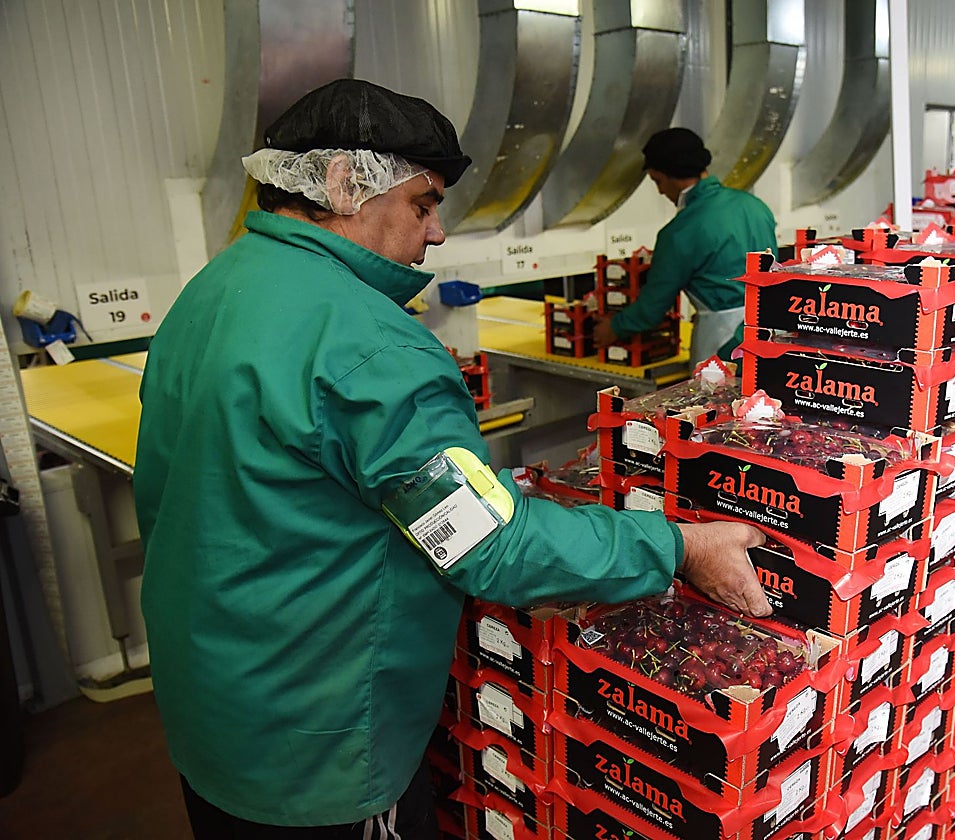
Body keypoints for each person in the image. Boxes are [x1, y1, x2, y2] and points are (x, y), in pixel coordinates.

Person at [133, 78, 771, 838]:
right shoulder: (369, 346)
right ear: (344, 185)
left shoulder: (213, 290)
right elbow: (488, 544)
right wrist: (675, 544)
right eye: (424, 204)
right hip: (320, 741)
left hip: (215, 704)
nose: (436, 234)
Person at [594, 127, 778, 365]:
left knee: (713, 398)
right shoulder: (754, 206)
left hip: (723, 342)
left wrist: (613, 328)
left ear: (670, 175)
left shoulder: (679, 232)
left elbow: (652, 308)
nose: (660, 191)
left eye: (657, 181)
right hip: (769, 333)